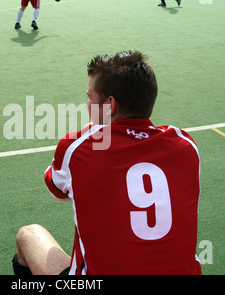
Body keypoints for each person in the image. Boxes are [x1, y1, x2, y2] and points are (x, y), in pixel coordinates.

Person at [12, 50, 202, 275]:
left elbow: (57, 190)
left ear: (109, 105)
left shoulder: (77, 147)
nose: (86, 105)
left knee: (29, 235)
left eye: (90, 98)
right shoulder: (185, 146)